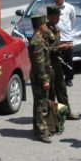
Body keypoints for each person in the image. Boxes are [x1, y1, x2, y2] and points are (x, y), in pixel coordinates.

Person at [45, 6, 80, 120]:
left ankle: (64, 113)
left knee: (62, 89)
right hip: (48, 64)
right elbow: (45, 49)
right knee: (51, 92)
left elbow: (55, 44)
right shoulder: (45, 30)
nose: (58, 18)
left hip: (57, 63)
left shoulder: (56, 28)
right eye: (56, 16)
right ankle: (52, 116)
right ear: (49, 16)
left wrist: (64, 46)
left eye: (59, 16)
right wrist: (60, 46)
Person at [29, 15, 52, 144]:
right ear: (41, 26)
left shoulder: (37, 39)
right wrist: (45, 80)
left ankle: (38, 129)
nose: (46, 27)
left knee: (38, 103)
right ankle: (42, 132)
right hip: (39, 77)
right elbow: (39, 63)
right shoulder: (37, 41)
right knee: (41, 105)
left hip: (38, 76)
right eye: (45, 25)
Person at [53, 0, 76, 87]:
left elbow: (73, 20)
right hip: (56, 39)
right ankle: (58, 78)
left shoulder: (70, 8)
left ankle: (69, 78)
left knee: (68, 60)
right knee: (57, 60)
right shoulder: (52, 9)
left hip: (67, 38)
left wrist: (68, 32)